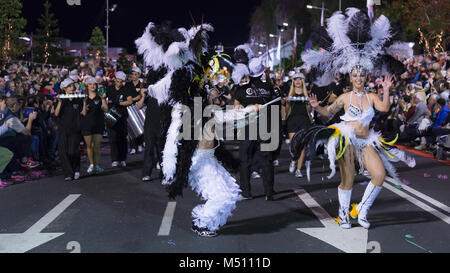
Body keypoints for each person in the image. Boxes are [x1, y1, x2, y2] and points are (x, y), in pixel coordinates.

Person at [302, 8, 415, 229]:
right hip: (346, 140)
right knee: (348, 179)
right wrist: (317, 107)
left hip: (366, 141)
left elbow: (384, 107)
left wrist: (386, 89)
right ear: (350, 76)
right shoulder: (345, 96)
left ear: (366, 76)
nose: (359, 78)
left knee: (379, 175)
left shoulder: (372, 96)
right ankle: (344, 214)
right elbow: (328, 113)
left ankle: (362, 211)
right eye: (355, 75)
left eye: (362, 75)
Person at [54, 78, 83, 181]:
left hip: (75, 129)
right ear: (65, 89)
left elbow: (82, 112)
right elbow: (56, 114)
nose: (72, 88)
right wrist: (60, 102)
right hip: (63, 129)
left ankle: (76, 169)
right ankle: (68, 173)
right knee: (63, 152)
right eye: (70, 86)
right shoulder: (61, 99)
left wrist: (84, 103)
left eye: (72, 86)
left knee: (72, 151)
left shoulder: (78, 98)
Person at [285, 72, 312, 178]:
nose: (297, 81)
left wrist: (309, 103)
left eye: (300, 79)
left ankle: (299, 169)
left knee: (303, 146)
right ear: (293, 81)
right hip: (292, 120)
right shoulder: (290, 94)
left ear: (302, 81)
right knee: (294, 145)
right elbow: (287, 111)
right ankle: (293, 160)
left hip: (304, 120)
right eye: (295, 79)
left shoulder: (307, 94)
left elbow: (309, 111)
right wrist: (287, 103)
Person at [81, 77, 108, 175]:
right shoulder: (83, 97)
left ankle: (96, 165)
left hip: (98, 124)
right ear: (87, 86)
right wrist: (84, 104)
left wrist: (103, 99)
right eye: (90, 84)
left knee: (96, 146)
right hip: (87, 124)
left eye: (94, 84)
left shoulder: (100, 96)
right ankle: (92, 164)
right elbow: (83, 113)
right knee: (89, 146)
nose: (92, 86)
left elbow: (105, 109)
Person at [106, 71, 133, 167]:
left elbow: (129, 101)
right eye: (118, 81)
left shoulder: (126, 89)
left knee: (122, 138)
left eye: (121, 82)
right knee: (112, 138)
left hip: (122, 115)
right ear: (114, 80)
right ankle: (114, 159)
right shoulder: (109, 89)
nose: (119, 84)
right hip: (111, 115)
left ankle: (122, 158)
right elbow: (104, 99)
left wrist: (118, 103)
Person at [137, 86, 162, 182]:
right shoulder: (149, 93)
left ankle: (165, 174)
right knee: (149, 150)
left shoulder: (165, 94)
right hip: (149, 126)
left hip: (162, 126)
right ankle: (146, 173)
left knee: (162, 151)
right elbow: (139, 106)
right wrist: (143, 96)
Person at [124, 66, 144, 155]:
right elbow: (127, 95)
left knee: (140, 126)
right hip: (130, 107)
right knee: (131, 127)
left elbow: (141, 96)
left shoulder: (142, 85)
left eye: (135, 74)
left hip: (140, 107)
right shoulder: (128, 85)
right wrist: (134, 99)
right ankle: (132, 146)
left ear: (139, 75)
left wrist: (134, 98)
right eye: (132, 74)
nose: (133, 76)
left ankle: (140, 144)